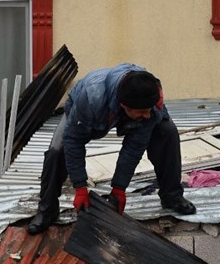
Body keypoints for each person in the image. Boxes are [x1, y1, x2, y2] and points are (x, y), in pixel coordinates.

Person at [27, 64, 195, 235]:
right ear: (124, 105)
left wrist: (119, 188)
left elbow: (134, 148)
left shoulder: (151, 98)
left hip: (124, 104)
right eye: (142, 111)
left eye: (149, 111)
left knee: (167, 131)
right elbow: (74, 141)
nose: (147, 115)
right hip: (85, 109)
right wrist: (80, 187)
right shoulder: (90, 98)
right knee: (57, 150)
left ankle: (171, 196)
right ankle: (47, 210)